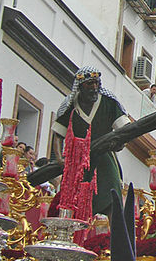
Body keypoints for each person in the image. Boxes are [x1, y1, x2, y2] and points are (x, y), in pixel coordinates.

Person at [51, 67, 129, 215]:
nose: (94, 87)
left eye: (96, 83)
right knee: (72, 201)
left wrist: (120, 143)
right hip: (77, 162)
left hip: (104, 158)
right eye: (89, 84)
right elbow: (58, 134)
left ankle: (113, 235)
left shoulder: (108, 103)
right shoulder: (70, 106)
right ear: (81, 86)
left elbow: (124, 129)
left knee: (112, 197)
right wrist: (60, 158)